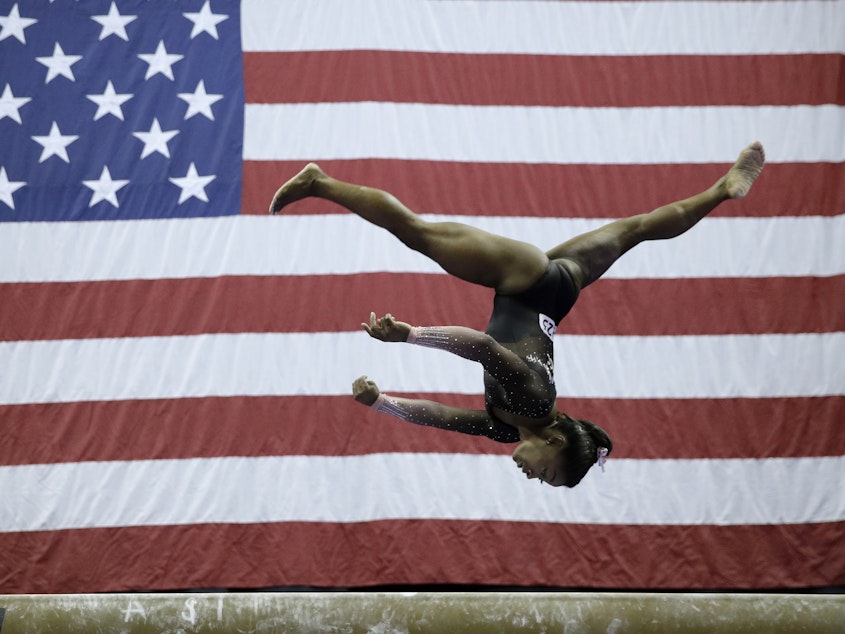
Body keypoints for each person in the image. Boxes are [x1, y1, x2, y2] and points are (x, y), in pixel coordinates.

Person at [269, 142, 766, 488]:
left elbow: (442, 417)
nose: (533, 477)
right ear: (554, 439)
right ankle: (320, 182)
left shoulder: (510, 428)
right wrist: (410, 336)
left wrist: (384, 403)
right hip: (522, 280)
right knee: (416, 232)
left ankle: (722, 189)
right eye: (547, 473)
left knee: (636, 229)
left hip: (556, 295)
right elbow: (484, 348)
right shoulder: (532, 403)